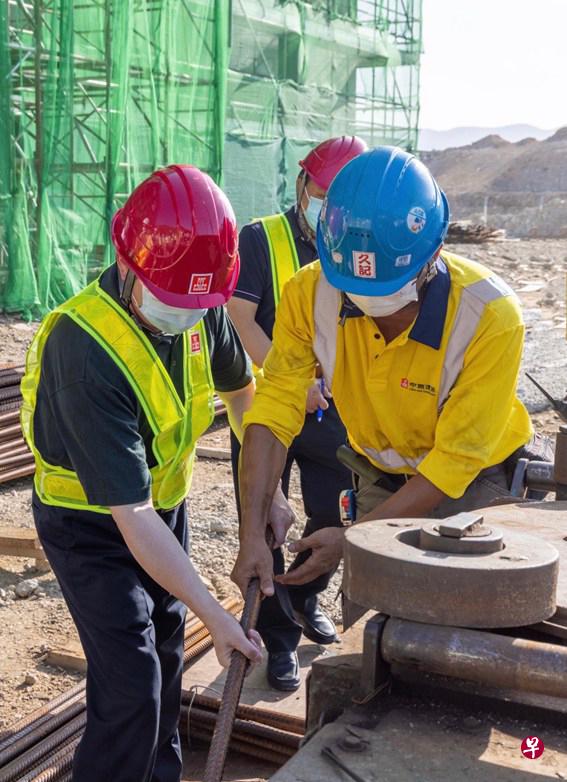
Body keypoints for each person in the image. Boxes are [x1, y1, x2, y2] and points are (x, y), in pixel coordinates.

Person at [19, 165, 294, 782]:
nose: (185, 315)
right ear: (128, 264)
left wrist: (266, 494)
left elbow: (244, 397)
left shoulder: (199, 307)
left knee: (167, 656)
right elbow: (130, 516)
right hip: (89, 526)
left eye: (197, 304)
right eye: (172, 300)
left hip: (163, 510)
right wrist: (216, 616)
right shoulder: (84, 348)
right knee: (131, 685)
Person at [231, 145, 549, 605]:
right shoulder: (308, 292)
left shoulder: (488, 315)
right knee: (375, 619)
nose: (368, 302)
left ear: (434, 253)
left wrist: (351, 537)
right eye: (353, 287)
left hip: (479, 482)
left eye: (385, 287)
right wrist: (251, 533)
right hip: (383, 476)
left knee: (466, 616)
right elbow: (275, 408)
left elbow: (454, 462)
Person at [227, 136, 366, 692]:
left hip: (333, 417)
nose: (326, 210)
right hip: (269, 407)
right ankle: (279, 642)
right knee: (264, 523)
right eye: (321, 194)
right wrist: (294, 380)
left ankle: (307, 599)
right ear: (304, 185)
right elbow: (239, 317)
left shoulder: (359, 244)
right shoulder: (263, 238)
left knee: (335, 518)